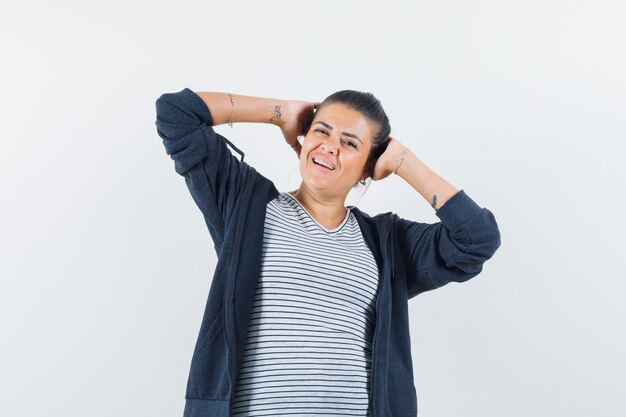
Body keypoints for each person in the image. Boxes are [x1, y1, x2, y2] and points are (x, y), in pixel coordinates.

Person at [154, 87, 501, 417]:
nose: (330, 146)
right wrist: (282, 112)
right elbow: (177, 113)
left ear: (369, 167)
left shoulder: (387, 241)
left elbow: (476, 239)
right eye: (322, 131)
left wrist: (404, 162)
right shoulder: (246, 205)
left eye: (349, 142)